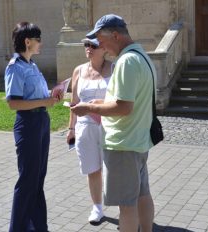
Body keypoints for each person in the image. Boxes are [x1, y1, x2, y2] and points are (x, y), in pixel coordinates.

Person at [71, 14, 156, 232]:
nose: (101, 47)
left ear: (115, 35)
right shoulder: (141, 56)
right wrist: (101, 102)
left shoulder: (126, 62)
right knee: (142, 194)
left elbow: (123, 107)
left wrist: (88, 107)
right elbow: (127, 100)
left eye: (101, 40)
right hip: (138, 140)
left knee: (126, 206)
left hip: (123, 144)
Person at [4, 22, 62, 232]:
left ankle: (38, 227)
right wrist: (43, 102)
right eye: (38, 39)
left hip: (41, 122)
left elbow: (36, 95)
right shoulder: (15, 67)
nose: (41, 43)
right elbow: (13, 103)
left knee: (38, 179)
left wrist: (51, 94)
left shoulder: (32, 65)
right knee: (27, 180)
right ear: (27, 42)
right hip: (27, 124)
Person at [66, 38, 112, 224]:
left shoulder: (115, 68)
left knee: (113, 168)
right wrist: (71, 128)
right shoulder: (79, 70)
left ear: (104, 48)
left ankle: (124, 208)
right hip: (85, 127)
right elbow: (74, 103)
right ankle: (97, 207)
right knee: (92, 168)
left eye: (93, 45)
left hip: (109, 125)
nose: (89, 48)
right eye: (86, 45)